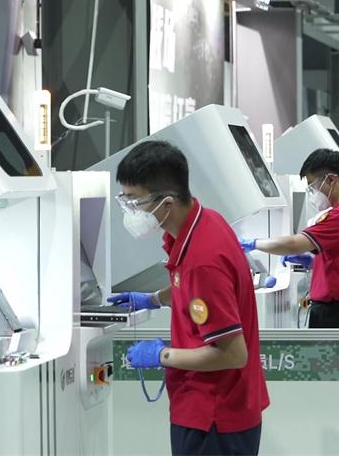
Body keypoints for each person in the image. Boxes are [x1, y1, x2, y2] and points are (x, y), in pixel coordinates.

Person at [106, 141, 268, 456]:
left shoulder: (202, 259)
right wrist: (153, 299)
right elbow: (190, 291)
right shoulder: (202, 223)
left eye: (134, 202)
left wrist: (162, 355)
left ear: (166, 203)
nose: (130, 211)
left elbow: (234, 354)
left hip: (214, 416)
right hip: (218, 408)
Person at [239, 149, 339, 328]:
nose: (312, 193)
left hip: (337, 316)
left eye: (313, 186)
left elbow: (293, 244)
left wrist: (253, 243)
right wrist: (314, 263)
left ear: (331, 180)